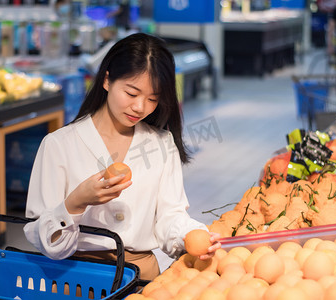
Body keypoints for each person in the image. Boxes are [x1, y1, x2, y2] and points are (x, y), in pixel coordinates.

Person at [23, 33, 221, 280]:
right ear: (107, 80)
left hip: (140, 277)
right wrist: (76, 202)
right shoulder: (59, 145)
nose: (140, 107)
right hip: (73, 278)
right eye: (131, 93)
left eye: (152, 99)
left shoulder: (161, 143)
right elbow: (41, 237)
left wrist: (190, 234)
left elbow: (170, 216)